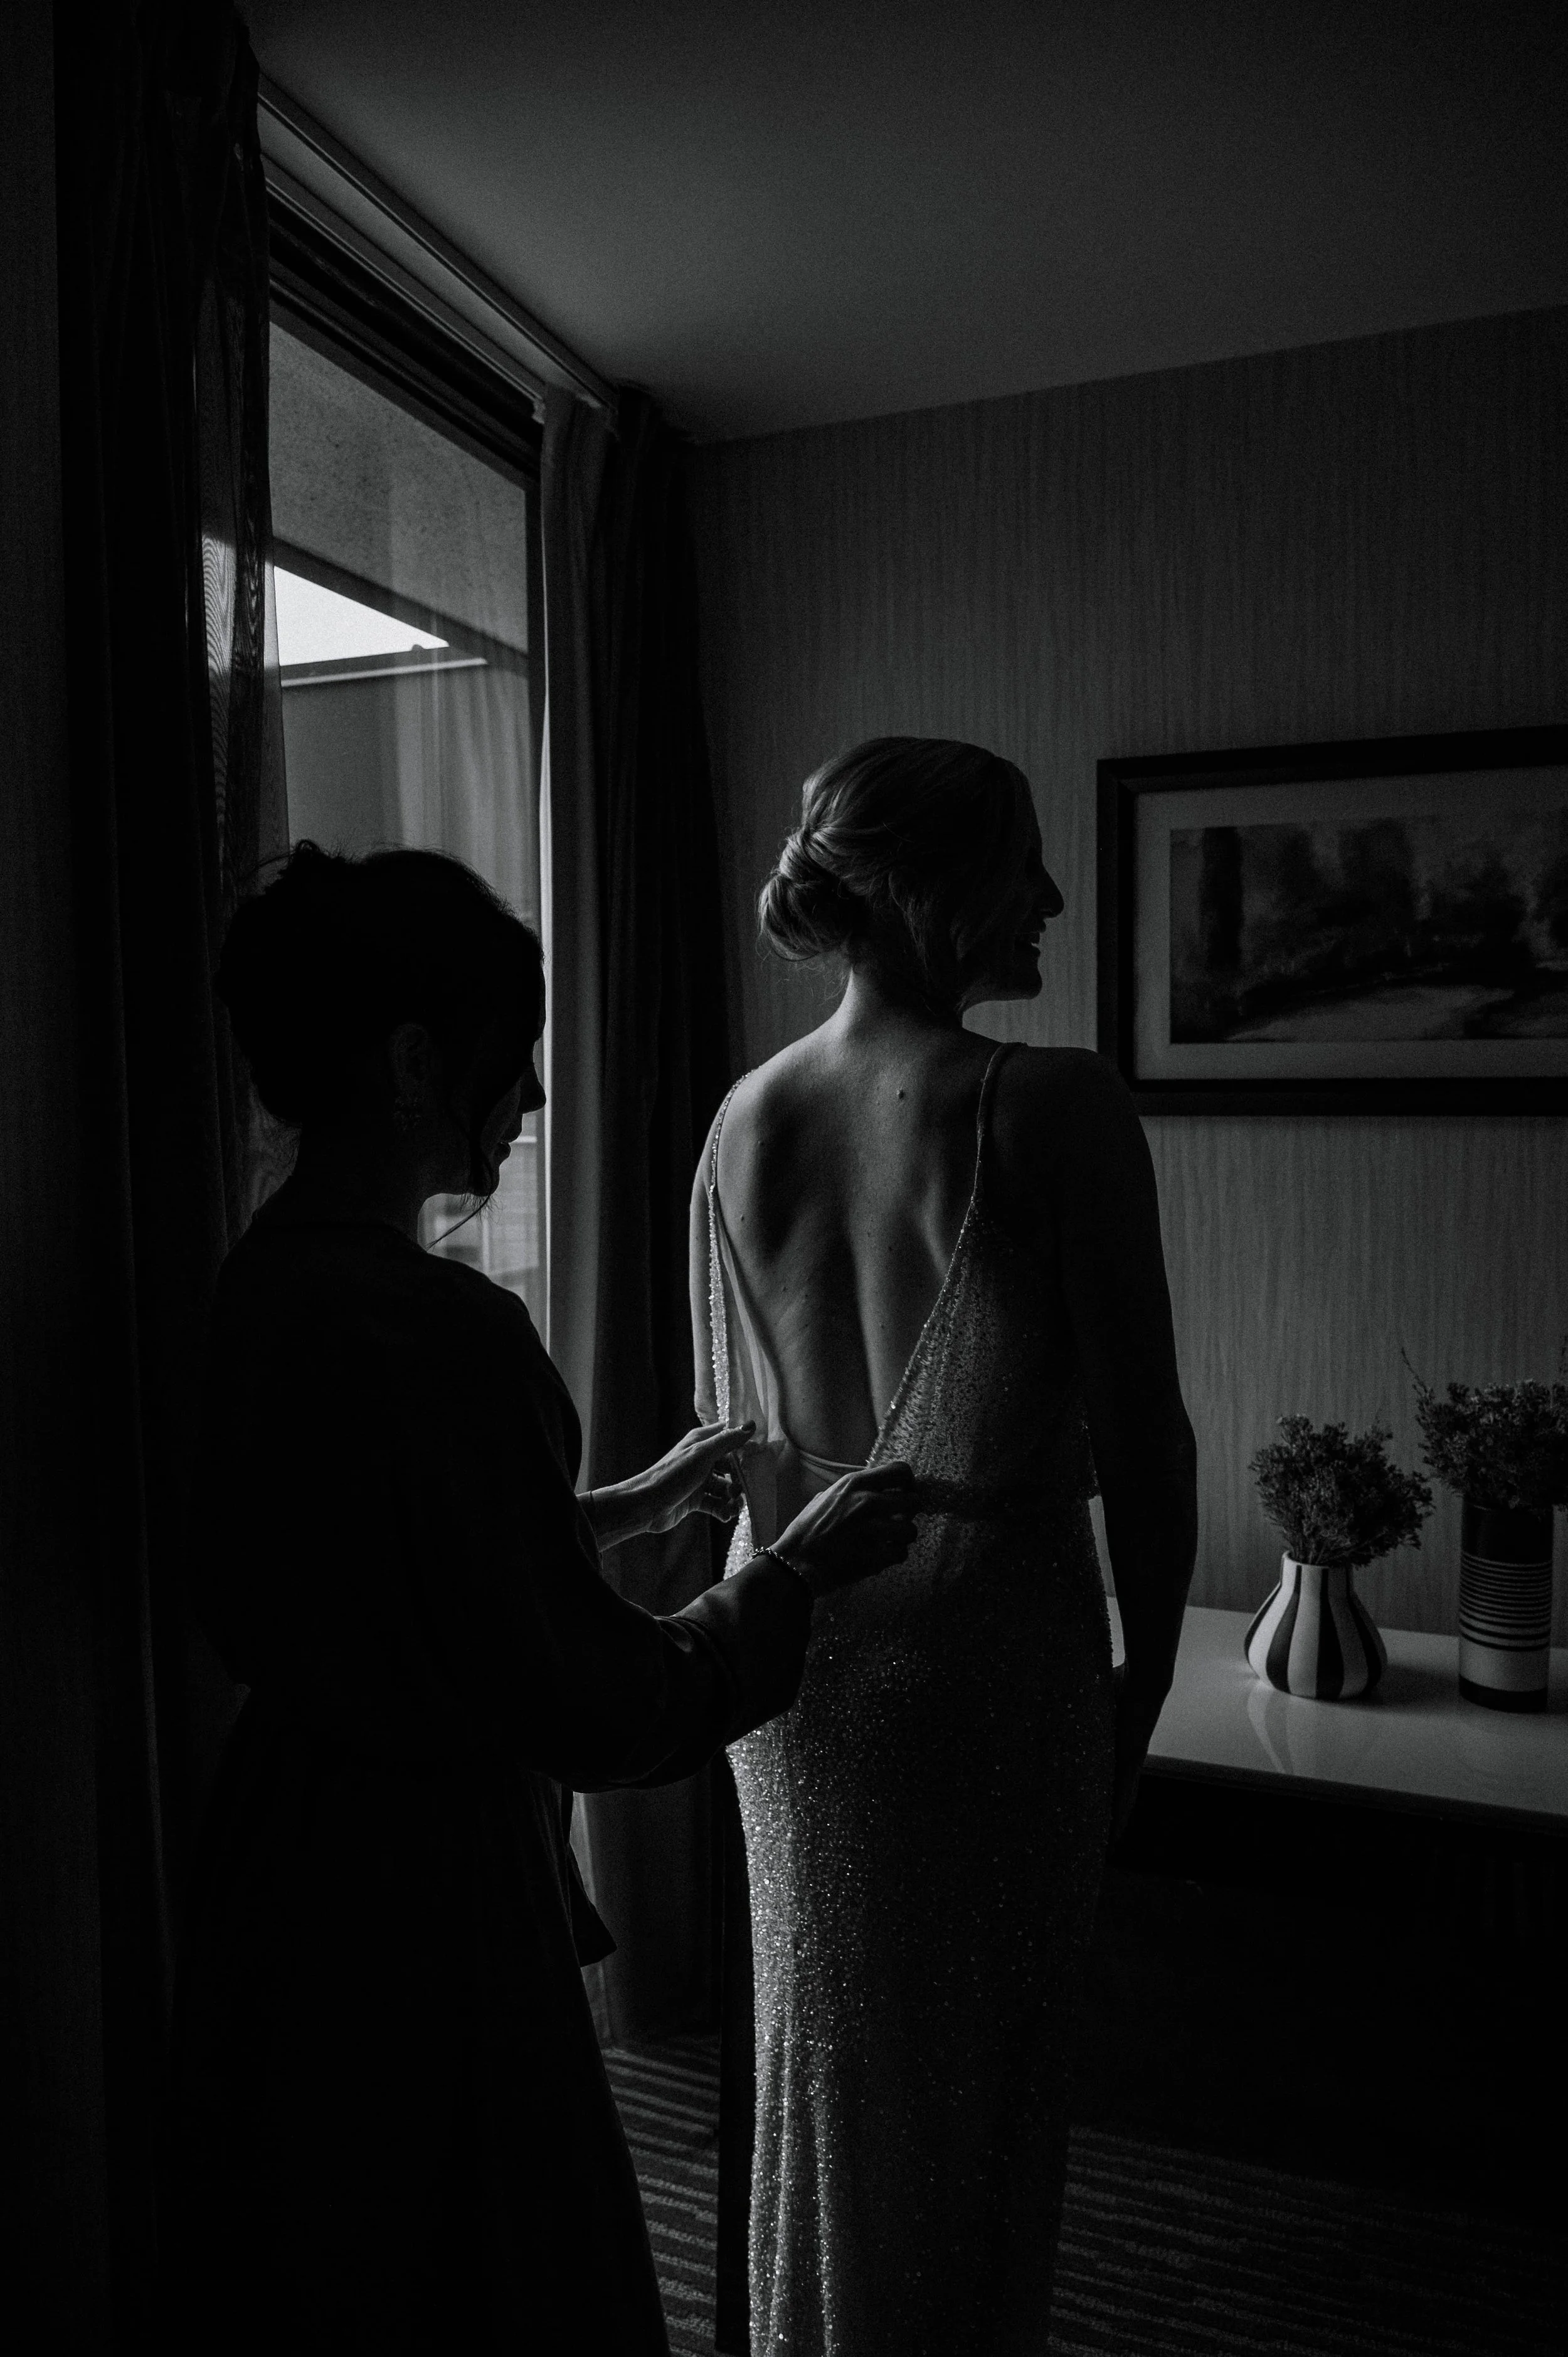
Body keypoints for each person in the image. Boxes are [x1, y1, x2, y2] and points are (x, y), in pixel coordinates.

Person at [157, 843, 918, 2354]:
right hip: (426, 1898)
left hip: (275, 1858)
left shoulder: (254, 1290)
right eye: (516, 1056)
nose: (539, 1100)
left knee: (320, 2261)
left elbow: (392, 1573)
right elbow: (595, 1704)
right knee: (493, 2268)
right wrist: (786, 1577)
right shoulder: (445, 1327)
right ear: (417, 1060)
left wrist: (620, 1512)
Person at [691, 739, 1198, 2355]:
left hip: (796, 1687)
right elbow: (1149, 1448)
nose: (1049, 895)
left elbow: (742, 1447)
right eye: (1025, 861)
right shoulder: (1048, 1104)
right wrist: (1135, 1708)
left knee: (825, 2070)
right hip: (993, 1677)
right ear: (928, 887)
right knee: (977, 2102)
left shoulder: (740, 1119)